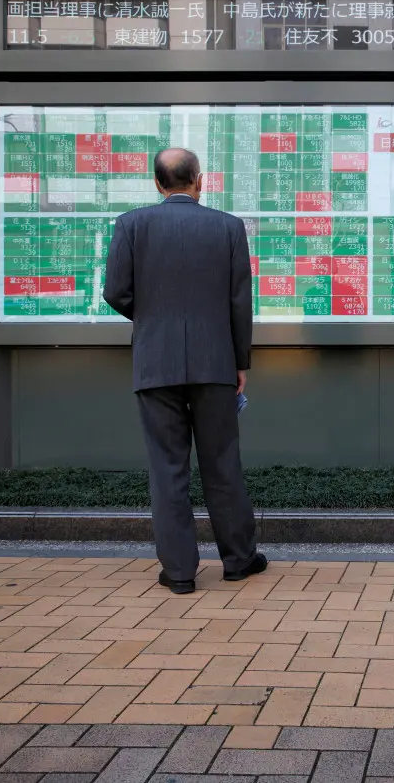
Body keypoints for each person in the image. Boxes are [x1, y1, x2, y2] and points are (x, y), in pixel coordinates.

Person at [103, 147, 266, 595]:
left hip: (155, 362)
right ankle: (238, 560)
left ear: (158, 184)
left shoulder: (131, 224)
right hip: (216, 362)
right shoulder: (228, 227)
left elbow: (115, 292)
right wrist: (239, 362)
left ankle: (178, 573)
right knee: (222, 463)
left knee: (167, 467)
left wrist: (152, 317)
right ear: (200, 180)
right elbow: (239, 302)